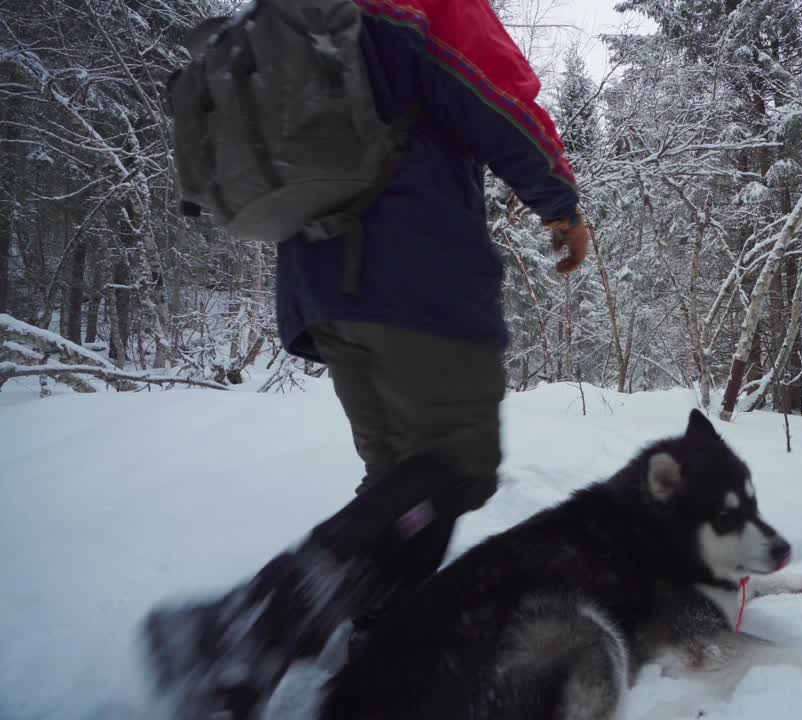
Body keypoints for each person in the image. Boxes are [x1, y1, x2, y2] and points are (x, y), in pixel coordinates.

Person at [141, 0, 588, 716]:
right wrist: (558, 199)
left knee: (400, 479)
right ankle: (248, 629)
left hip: (320, 286)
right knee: (454, 469)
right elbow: (491, 92)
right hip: (414, 270)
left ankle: (371, 633)